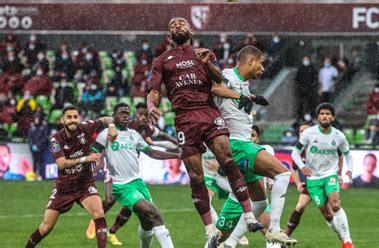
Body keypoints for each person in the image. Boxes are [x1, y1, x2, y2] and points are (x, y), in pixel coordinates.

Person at [146, 17, 262, 247]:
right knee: (196, 176)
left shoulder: (203, 53)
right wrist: (151, 106)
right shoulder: (161, 61)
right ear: (170, 34)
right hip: (184, 119)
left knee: (227, 159)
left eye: (181, 23)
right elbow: (153, 91)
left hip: (208, 112)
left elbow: (219, 81)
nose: (177, 26)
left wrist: (208, 63)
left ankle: (249, 215)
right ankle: (210, 229)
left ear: (190, 29)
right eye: (172, 25)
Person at [212, 46, 295, 246]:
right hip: (236, 144)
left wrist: (252, 98)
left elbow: (233, 97)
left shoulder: (243, 84)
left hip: (241, 144)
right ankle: (274, 229)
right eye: (261, 63)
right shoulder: (227, 76)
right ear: (250, 61)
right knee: (283, 174)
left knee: (259, 202)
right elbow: (214, 88)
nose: (263, 68)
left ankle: (228, 243)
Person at [85, 102, 179, 244]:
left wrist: (177, 155)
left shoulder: (134, 134)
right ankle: (97, 220)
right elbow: (94, 153)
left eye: (127, 113)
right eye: (121, 113)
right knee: (154, 214)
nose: (125, 115)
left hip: (138, 183)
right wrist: (92, 168)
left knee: (147, 222)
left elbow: (152, 153)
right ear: (113, 116)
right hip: (122, 185)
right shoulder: (106, 134)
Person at [25, 105, 117, 247]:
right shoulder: (56, 139)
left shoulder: (85, 128)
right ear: (62, 120)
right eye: (69, 117)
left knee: (99, 214)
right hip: (64, 188)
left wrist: (111, 126)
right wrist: (84, 159)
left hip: (84, 184)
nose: (73, 120)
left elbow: (107, 119)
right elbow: (61, 164)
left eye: (75, 117)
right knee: (46, 227)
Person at [291, 103, 355, 248]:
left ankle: (348, 241)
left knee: (335, 204)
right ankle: (343, 238)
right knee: (327, 214)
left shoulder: (339, 136)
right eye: (322, 114)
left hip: (330, 175)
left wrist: (349, 170)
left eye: (327, 114)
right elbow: (294, 153)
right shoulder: (308, 134)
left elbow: (347, 155)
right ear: (318, 117)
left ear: (332, 117)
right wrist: (302, 167)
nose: (324, 116)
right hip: (313, 179)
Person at [285, 122, 345, 237]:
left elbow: (340, 156)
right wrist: (298, 183)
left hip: (326, 181)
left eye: (306, 130)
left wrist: (339, 174)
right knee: (300, 206)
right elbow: (293, 168)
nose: (304, 133)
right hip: (311, 184)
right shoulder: (299, 150)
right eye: (301, 131)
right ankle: (286, 236)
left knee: (330, 213)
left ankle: (344, 237)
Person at [26, 113, 49, 180]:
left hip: (41, 148)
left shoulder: (43, 127)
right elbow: (29, 138)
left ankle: (40, 175)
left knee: (40, 162)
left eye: (37, 118)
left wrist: (38, 145)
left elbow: (45, 138)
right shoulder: (32, 128)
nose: (36, 120)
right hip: (33, 148)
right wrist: (32, 145)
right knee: (34, 162)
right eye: (35, 118)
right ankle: (34, 175)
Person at [294, 56, 318, 121]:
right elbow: (297, 79)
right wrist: (300, 87)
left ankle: (311, 115)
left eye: (307, 59)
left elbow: (315, 79)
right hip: (302, 89)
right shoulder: (301, 68)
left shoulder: (312, 68)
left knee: (310, 103)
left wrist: (312, 86)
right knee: (301, 103)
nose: (306, 61)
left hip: (310, 89)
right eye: (304, 59)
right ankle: (300, 116)